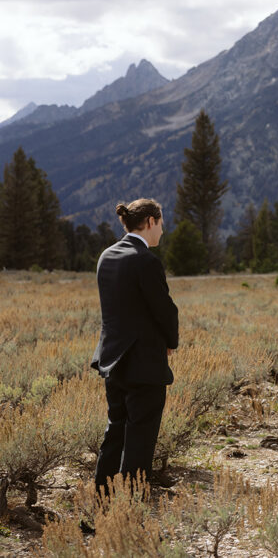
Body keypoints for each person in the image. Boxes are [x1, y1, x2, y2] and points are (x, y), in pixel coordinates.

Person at [91, 198, 179, 493]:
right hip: (144, 366)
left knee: (115, 433)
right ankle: (129, 512)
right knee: (140, 444)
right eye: (162, 225)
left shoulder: (106, 256)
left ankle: (102, 509)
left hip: (113, 362)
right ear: (150, 221)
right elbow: (164, 309)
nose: (163, 232)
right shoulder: (146, 261)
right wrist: (170, 342)